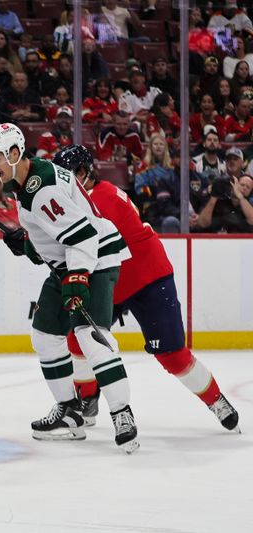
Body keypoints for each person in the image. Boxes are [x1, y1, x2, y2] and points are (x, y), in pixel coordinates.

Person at [52, 145, 240, 432]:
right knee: (79, 338)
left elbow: (74, 243)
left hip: (146, 277)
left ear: (83, 173)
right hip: (109, 281)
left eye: (67, 175)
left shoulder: (101, 200)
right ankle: (86, 401)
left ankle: (216, 400)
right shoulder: (83, 198)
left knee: (172, 355)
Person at [0, 123, 138, 452]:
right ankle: (69, 411)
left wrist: (79, 278)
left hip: (95, 256)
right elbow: (56, 232)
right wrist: (28, 243)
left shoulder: (42, 188)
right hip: (68, 259)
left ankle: (123, 413)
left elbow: (82, 235)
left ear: (14, 152)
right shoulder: (28, 180)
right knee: (44, 334)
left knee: (89, 334)